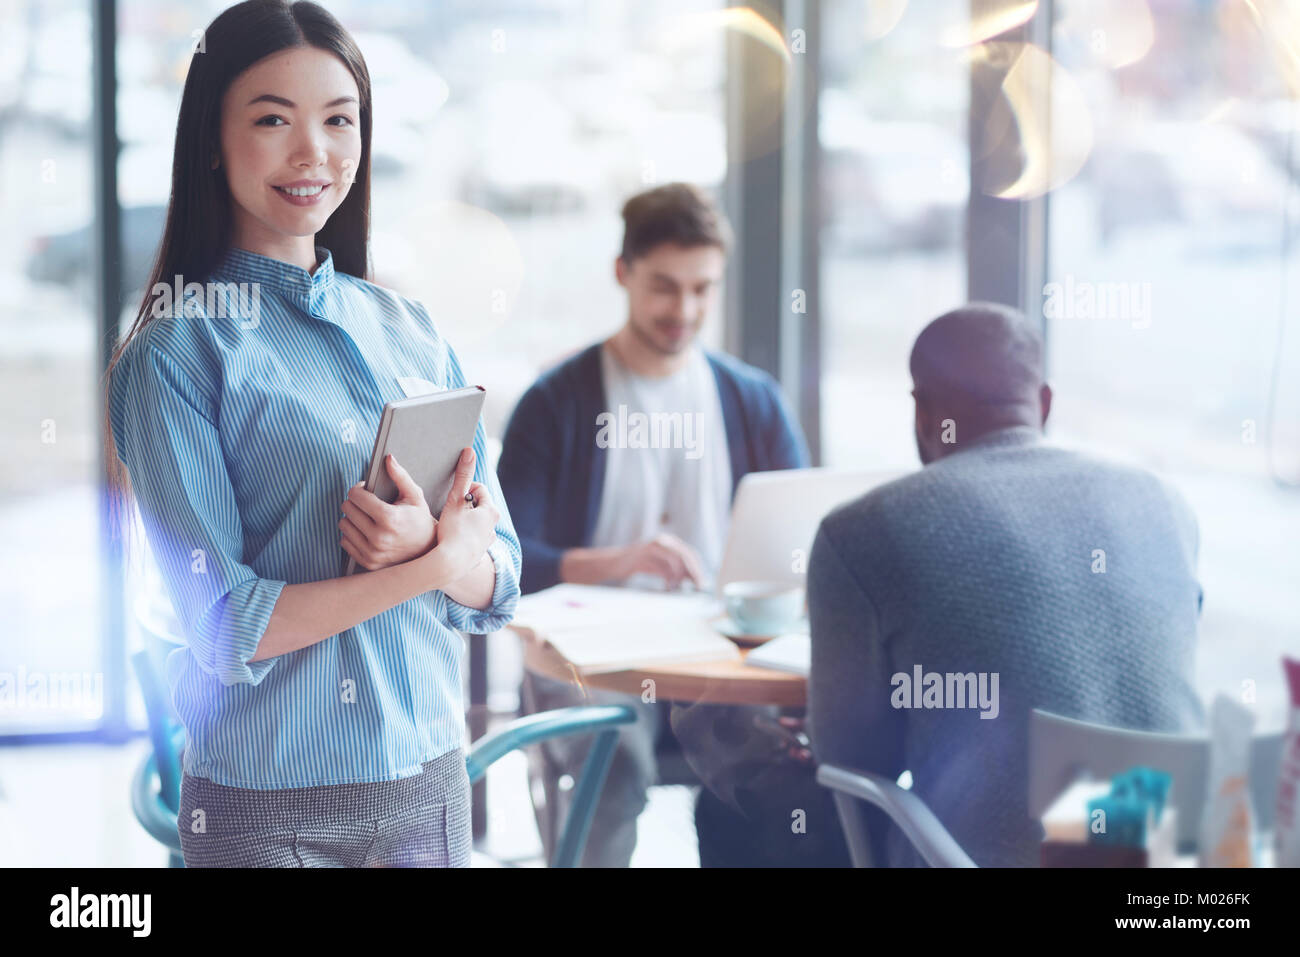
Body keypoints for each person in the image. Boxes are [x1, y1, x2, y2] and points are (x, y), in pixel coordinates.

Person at [103, 0, 520, 867]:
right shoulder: (177, 352)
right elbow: (223, 625)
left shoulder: (409, 326)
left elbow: (500, 575)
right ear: (212, 140)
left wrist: (438, 548)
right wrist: (430, 568)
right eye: (272, 120)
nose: (314, 154)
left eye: (339, 120)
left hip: (429, 787)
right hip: (267, 813)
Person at [807, 302, 1205, 867]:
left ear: (922, 413)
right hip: (1179, 873)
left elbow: (852, 762)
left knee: (774, 807)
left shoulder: (862, 531)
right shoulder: (1165, 501)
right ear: (1043, 403)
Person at [496, 183, 810, 866]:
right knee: (615, 767)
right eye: (665, 287)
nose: (685, 310)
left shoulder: (751, 401)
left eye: (703, 289)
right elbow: (505, 557)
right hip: (592, 654)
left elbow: (802, 540)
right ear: (623, 273)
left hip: (720, 654)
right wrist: (615, 560)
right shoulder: (555, 404)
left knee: (775, 772)